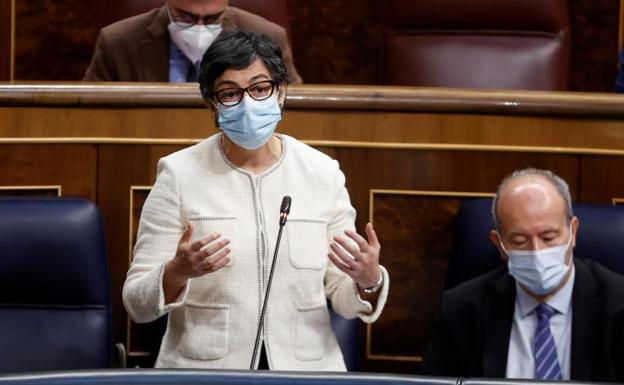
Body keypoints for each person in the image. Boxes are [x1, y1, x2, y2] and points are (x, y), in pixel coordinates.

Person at [122, 29, 388, 370]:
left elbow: (345, 298)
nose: (249, 103)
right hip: (204, 372)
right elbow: (137, 304)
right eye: (231, 93)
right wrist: (176, 271)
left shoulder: (322, 173)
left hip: (306, 373)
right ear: (212, 104)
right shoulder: (178, 174)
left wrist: (369, 282)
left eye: (260, 88)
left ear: (281, 92)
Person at [421, 168, 624, 381]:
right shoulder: (461, 310)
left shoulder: (619, 304)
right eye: (520, 241)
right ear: (499, 245)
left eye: (549, 237)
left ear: (573, 232)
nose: (536, 252)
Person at [84, 0, 302, 83]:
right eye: (185, 17)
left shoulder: (269, 37)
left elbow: (296, 111)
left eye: (212, 19)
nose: (199, 27)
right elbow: (91, 118)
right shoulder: (117, 42)